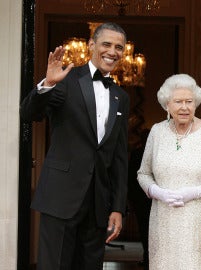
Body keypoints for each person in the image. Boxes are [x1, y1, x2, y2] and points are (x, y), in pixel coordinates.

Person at [20, 22, 129, 270]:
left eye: (119, 47)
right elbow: (28, 114)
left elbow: (120, 158)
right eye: (107, 44)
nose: (113, 51)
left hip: (98, 204)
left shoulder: (121, 97)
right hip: (61, 197)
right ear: (91, 45)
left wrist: (117, 207)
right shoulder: (65, 80)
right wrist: (47, 84)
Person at [137, 74, 201, 270]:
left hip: (197, 223)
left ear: (196, 104)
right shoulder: (157, 132)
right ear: (167, 105)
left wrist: (196, 192)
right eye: (178, 102)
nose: (184, 107)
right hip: (163, 222)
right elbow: (143, 173)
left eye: (189, 102)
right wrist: (157, 192)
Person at [127, 129, 151, 270]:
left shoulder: (157, 154)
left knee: (146, 230)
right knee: (144, 230)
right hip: (141, 200)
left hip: (151, 200)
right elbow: (131, 178)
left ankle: (148, 257)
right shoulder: (137, 154)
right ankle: (147, 257)